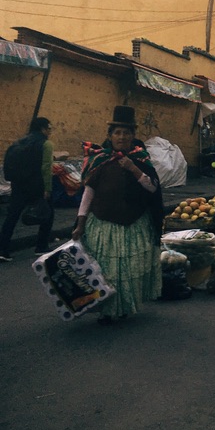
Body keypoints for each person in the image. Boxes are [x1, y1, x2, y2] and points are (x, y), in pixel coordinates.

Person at [71, 106, 164, 324]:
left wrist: (133, 169)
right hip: (103, 227)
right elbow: (88, 193)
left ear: (133, 136)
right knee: (104, 272)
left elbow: (152, 189)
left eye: (126, 133)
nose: (122, 137)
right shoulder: (100, 160)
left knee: (126, 273)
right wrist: (80, 222)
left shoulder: (140, 160)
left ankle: (123, 307)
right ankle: (105, 310)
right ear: (110, 136)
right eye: (117, 133)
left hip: (132, 225)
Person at [0, 116, 55, 261]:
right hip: (36, 186)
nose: (50, 131)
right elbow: (46, 168)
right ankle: (41, 246)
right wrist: (48, 188)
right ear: (43, 128)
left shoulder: (19, 142)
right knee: (48, 213)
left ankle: (3, 249)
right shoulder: (46, 144)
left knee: (12, 216)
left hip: (18, 185)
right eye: (49, 128)